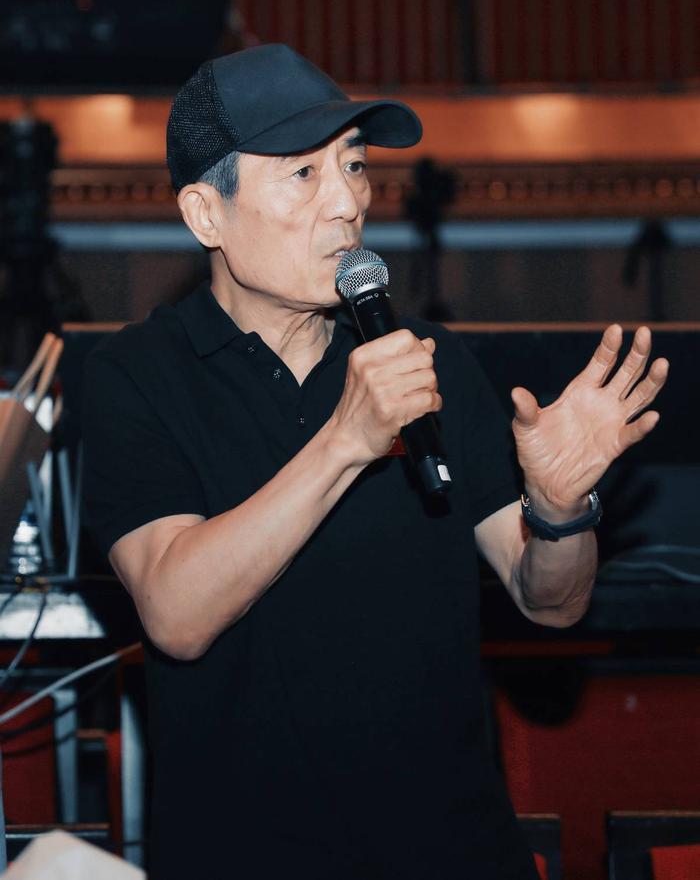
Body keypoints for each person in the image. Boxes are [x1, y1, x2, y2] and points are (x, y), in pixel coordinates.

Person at [81, 44, 668, 880]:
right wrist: (345, 441)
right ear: (206, 215)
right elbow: (176, 614)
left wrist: (559, 510)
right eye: (303, 174)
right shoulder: (136, 375)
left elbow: (551, 603)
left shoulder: (430, 362)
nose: (348, 203)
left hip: (454, 855)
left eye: (354, 166)